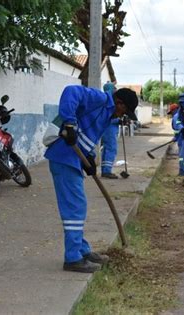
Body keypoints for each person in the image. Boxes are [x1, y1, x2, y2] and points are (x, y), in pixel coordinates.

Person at [45, 85, 138, 273]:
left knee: (78, 207)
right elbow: (71, 91)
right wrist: (69, 123)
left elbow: (85, 134)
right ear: (119, 103)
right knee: (74, 208)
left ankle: (82, 250)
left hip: (73, 159)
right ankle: (72, 258)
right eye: (125, 111)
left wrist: (88, 157)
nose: (123, 116)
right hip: (64, 158)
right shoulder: (101, 99)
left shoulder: (106, 115)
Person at [100, 81, 120, 179]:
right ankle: (107, 171)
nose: (116, 90)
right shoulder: (108, 101)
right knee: (111, 148)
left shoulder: (106, 99)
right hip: (109, 129)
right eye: (114, 88)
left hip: (108, 128)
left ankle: (105, 170)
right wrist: (118, 120)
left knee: (106, 149)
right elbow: (107, 117)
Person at [169, 103, 184, 176]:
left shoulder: (176, 117)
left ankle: (182, 172)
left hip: (181, 139)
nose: (171, 114)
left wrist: (175, 137)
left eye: (172, 111)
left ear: (175, 110)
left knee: (182, 156)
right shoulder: (183, 114)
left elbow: (177, 130)